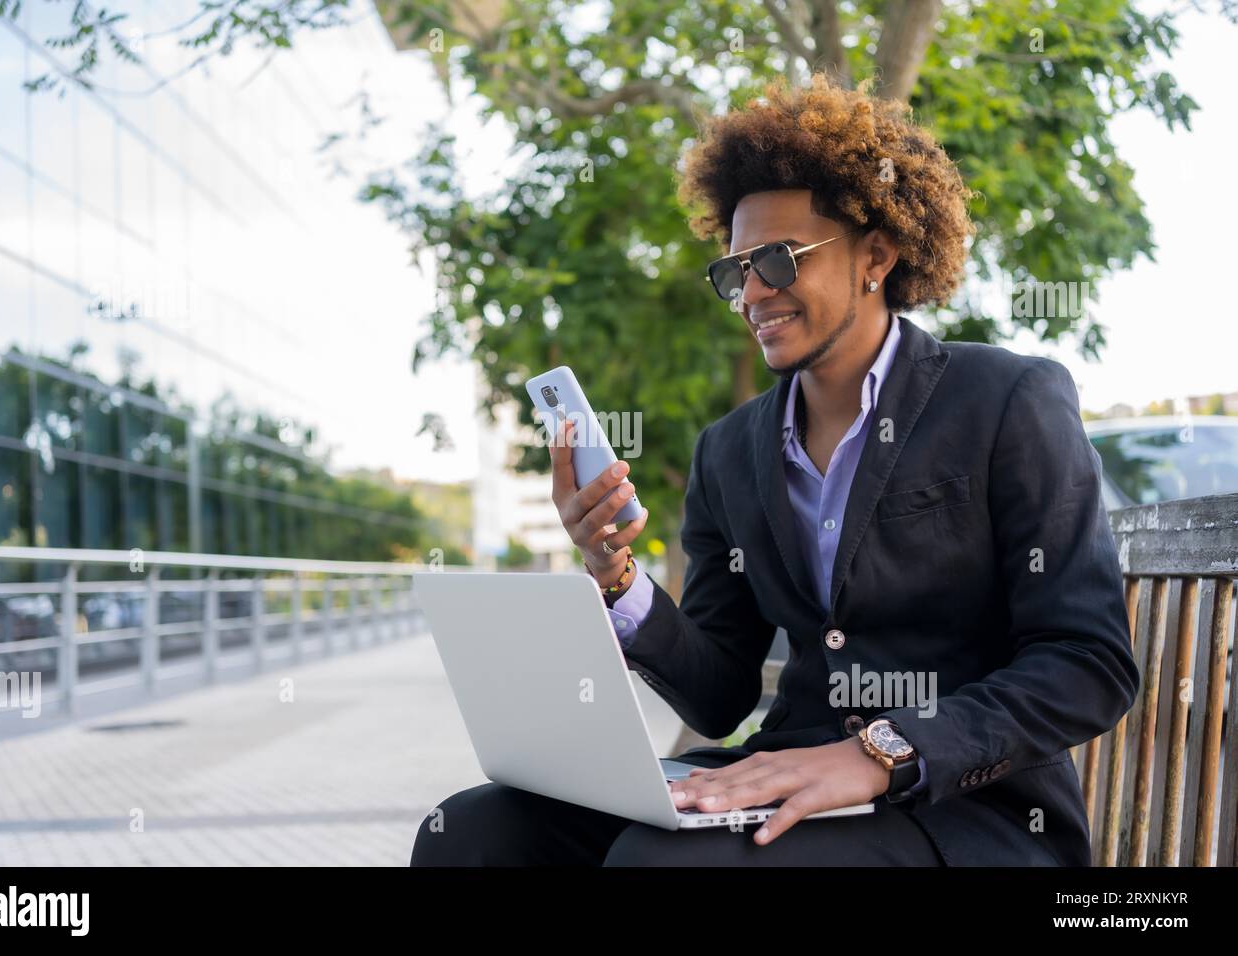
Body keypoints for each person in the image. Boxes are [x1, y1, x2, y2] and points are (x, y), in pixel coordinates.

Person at [411, 76, 1139, 867]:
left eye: (779, 261)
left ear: (877, 256)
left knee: (663, 865)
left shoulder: (1005, 399)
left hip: (964, 812)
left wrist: (877, 753)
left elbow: (1087, 661)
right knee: (476, 833)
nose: (753, 292)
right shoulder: (729, 451)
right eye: (736, 272)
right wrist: (613, 575)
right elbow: (720, 694)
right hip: (786, 771)